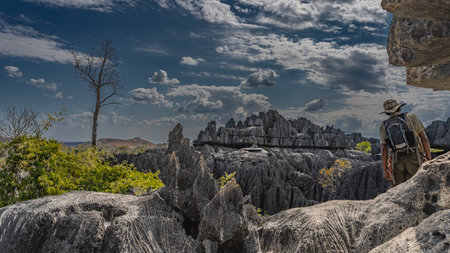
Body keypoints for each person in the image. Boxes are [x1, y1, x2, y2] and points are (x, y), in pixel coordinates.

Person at [379, 99, 431, 187]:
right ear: (399, 108)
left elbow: (384, 149)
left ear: (387, 112)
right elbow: (424, 139)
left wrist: (385, 170)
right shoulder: (410, 117)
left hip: (396, 161)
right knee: (417, 188)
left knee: (398, 192)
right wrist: (429, 160)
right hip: (414, 158)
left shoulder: (383, 125)